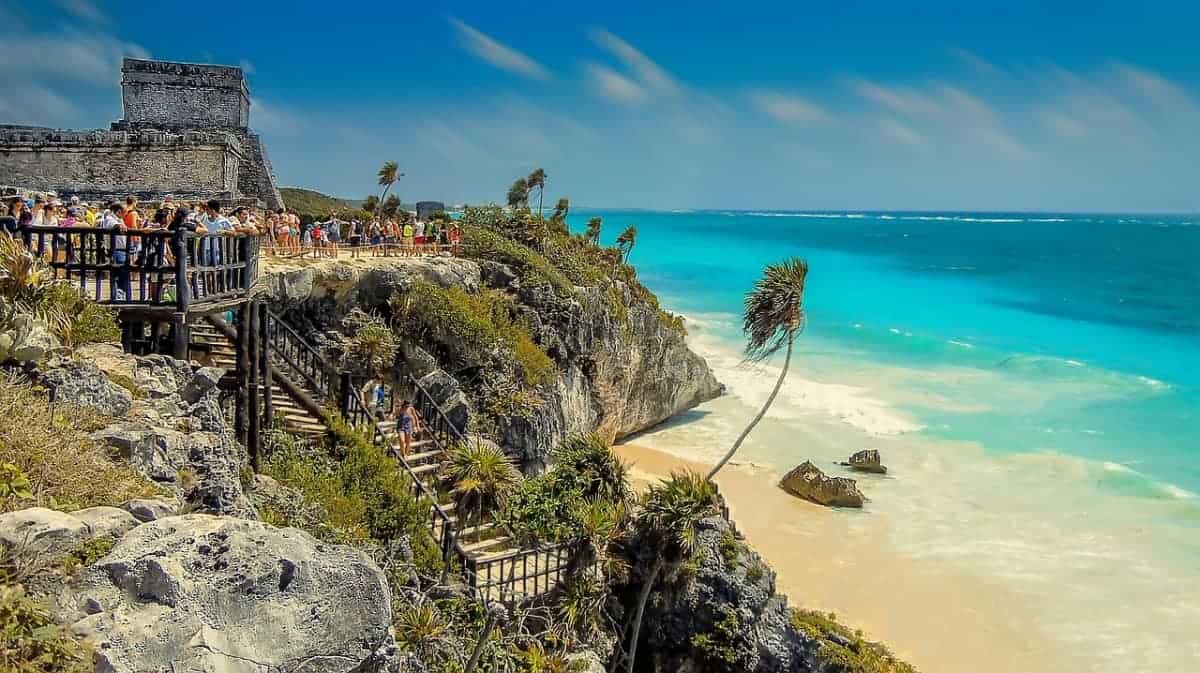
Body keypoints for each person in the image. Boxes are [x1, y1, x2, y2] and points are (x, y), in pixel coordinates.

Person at [100, 202, 131, 300]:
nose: (126, 214)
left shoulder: (119, 219)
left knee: (123, 273)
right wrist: (118, 226)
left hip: (122, 249)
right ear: (118, 212)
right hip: (116, 250)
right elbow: (112, 225)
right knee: (119, 273)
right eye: (124, 212)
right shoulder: (110, 219)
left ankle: (121, 294)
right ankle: (117, 296)